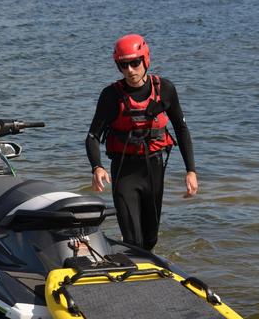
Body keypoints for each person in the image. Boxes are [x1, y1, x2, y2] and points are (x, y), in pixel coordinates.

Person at [85, 34, 198, 251]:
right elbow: (92, 137)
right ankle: (132, 275)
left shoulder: (165, 89)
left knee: (150, 240)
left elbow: (181, 129)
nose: (130, 70)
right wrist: (97, 167)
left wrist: (190, 170)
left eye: (135, 63)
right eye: (123, 64)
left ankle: (150, 273)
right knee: (133, 241)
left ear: (146, 59)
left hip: (154, 170)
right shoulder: (111, 96)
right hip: (124, 171)